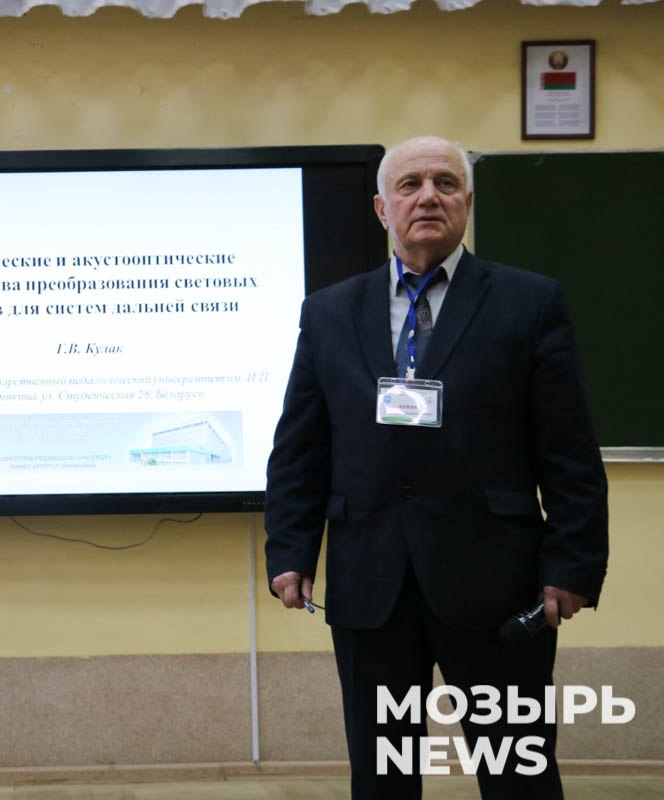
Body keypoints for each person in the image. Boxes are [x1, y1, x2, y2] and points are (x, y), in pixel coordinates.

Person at [264, 135, 608, 800]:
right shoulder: (329, 312)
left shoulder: (529, 303)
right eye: (410, 184)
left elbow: (568, 451)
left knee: (518, 772)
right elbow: (301, 448)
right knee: (383, 776)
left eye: (445, 183)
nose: (428, 196)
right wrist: (291, 550)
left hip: (497, 585)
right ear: (381, 208)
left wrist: (572, 565)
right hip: (371, 585)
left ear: (468, 204)